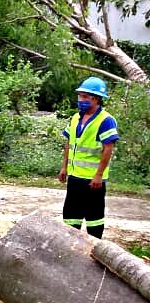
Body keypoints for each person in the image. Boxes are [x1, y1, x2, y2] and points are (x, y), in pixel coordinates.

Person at [58, 77, 119, 239]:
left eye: (86, 97)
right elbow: (69, 143)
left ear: (96, 98)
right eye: (80, 96)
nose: (81, 100)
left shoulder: (106, 120)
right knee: (71, 217)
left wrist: (98, 174)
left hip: (93, 181)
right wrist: (64, 167)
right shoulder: (75, 118)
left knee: (94, 220)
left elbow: (108, 148)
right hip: (75, 177)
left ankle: (95, 249)